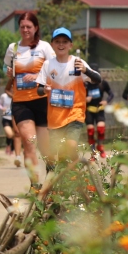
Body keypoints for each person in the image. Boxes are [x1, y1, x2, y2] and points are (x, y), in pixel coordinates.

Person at [36, 28, 103, 164]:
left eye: (65, 42)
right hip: (55, 118)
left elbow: (97, 79)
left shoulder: (78, 63)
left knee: (71, 147)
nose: (61, 45)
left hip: (75, 114)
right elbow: (39, 89)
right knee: (60, 157)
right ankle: (74, 176)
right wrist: (45, 89)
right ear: (52, 45)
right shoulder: (48, 65)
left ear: (70, 45)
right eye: (58, 42)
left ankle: (79, 164)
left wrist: (86, 71)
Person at [3, 12, 55, 184]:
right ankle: (35, 186)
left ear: (36, 28)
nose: (25, 30)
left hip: (42, 101)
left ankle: (52, 181)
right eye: (22, 27)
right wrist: (8, 72)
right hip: (21, 102)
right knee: (29, 142)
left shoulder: (44, 47)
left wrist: (38, 77)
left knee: (46, 148)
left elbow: (55, 71)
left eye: (29, 27)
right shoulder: (13, 48)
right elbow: (6, 68)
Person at [84, 77, 114, 158]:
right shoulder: (85, 84)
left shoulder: (103, 83)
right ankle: (93, 153)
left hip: (99, 109)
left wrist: (106, 101)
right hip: (89, 110)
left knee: (101, 129)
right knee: (90, 132)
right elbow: (77, 97)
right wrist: (85, 99)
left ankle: (100, 146)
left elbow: (111, 94)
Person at [0, 90, 21, 166]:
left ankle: (13, 150)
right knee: (10, 134)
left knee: (16, 134)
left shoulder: (18, 95)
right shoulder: (4, 96)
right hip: (6, 117)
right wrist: (2, 108)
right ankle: (8, 146)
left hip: (15, 118)